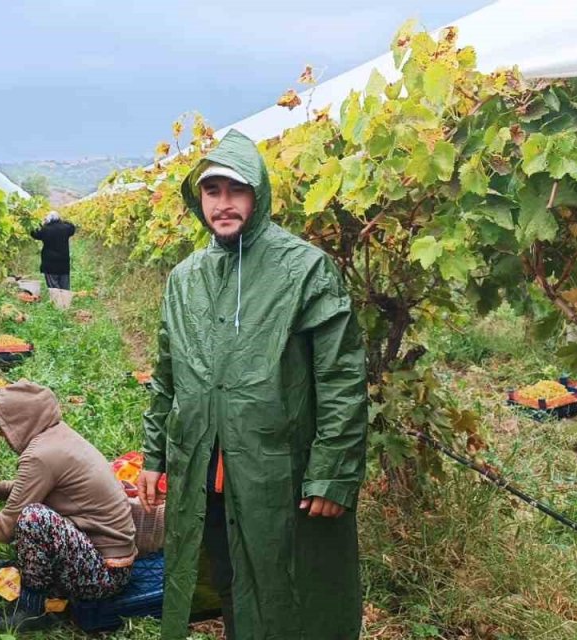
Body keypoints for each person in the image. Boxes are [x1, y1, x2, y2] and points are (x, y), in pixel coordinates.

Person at [136, 129, 368, 640]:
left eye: (235, 190)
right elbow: (167, 373)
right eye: (212, 191)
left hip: (275, 470)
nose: (223, 204)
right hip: (205, 466)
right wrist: (155, 455)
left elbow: (341, 377)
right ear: (198, 199)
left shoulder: (305, 269)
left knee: (287, 585)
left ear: (257, 195)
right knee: (230, 575)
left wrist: (332, 471)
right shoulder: (186, 278)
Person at [0, 381, 135, 632]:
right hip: (103, 559)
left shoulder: (40, 455)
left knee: (32, 518)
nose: (1, 434)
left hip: (101, 576)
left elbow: (4, 529)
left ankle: (31, 611)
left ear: (21, 422)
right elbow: (38, 488)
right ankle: (44, 588)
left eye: (2, 426)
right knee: (32, 513)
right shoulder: (58, 436)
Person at [30, 211, 76, 290]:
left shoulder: (45, 229)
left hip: (49, 263)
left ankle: (56, 300)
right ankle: (65, 300)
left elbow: (34, 233)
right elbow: (72, 227)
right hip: (63, 262)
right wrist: (63, 221)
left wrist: (41, 223)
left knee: (53, 287)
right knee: (64, 285)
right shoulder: (65, 228)